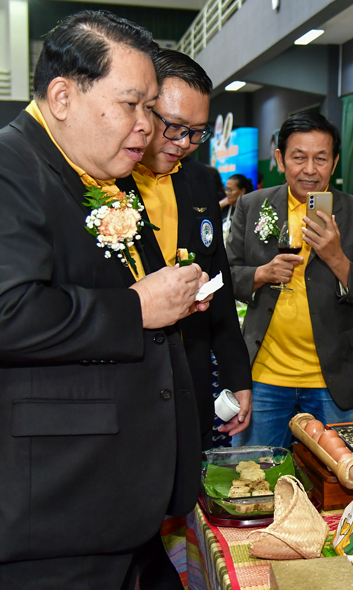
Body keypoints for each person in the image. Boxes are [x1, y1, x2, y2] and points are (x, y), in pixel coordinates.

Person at [0, 11, 208, 589]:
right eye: (131, 105)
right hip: (34, 511)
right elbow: (3, 318)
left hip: (100, 502)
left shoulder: (98, 180)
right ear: (62, 95)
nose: (146, 127)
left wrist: (171, 299)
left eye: (150, 109)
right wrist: (139, 308)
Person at [121, 48, 252, 452]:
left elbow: (220, 289)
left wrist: (237, 375)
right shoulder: (107, 179)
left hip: (191, 371)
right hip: (125, 379)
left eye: (197, 132)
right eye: (175, 127)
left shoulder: (199, 182)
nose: (185, 143)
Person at [226, 112, 353, 449]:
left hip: (330, 379)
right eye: (299, 157)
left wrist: (336, 257)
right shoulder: (252, 206)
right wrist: (262, 274)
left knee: (331, 482)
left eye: (321, 158)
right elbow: (225, 278)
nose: (310, 169)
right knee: (256, 473)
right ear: (281, 159)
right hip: (264, 375)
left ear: (335, 161)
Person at [221, 173, 253, 238]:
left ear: (242, 191)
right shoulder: (225, 207)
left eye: (230, 190)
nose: (227, 193)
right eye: (226, 189)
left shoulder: (248, 210)